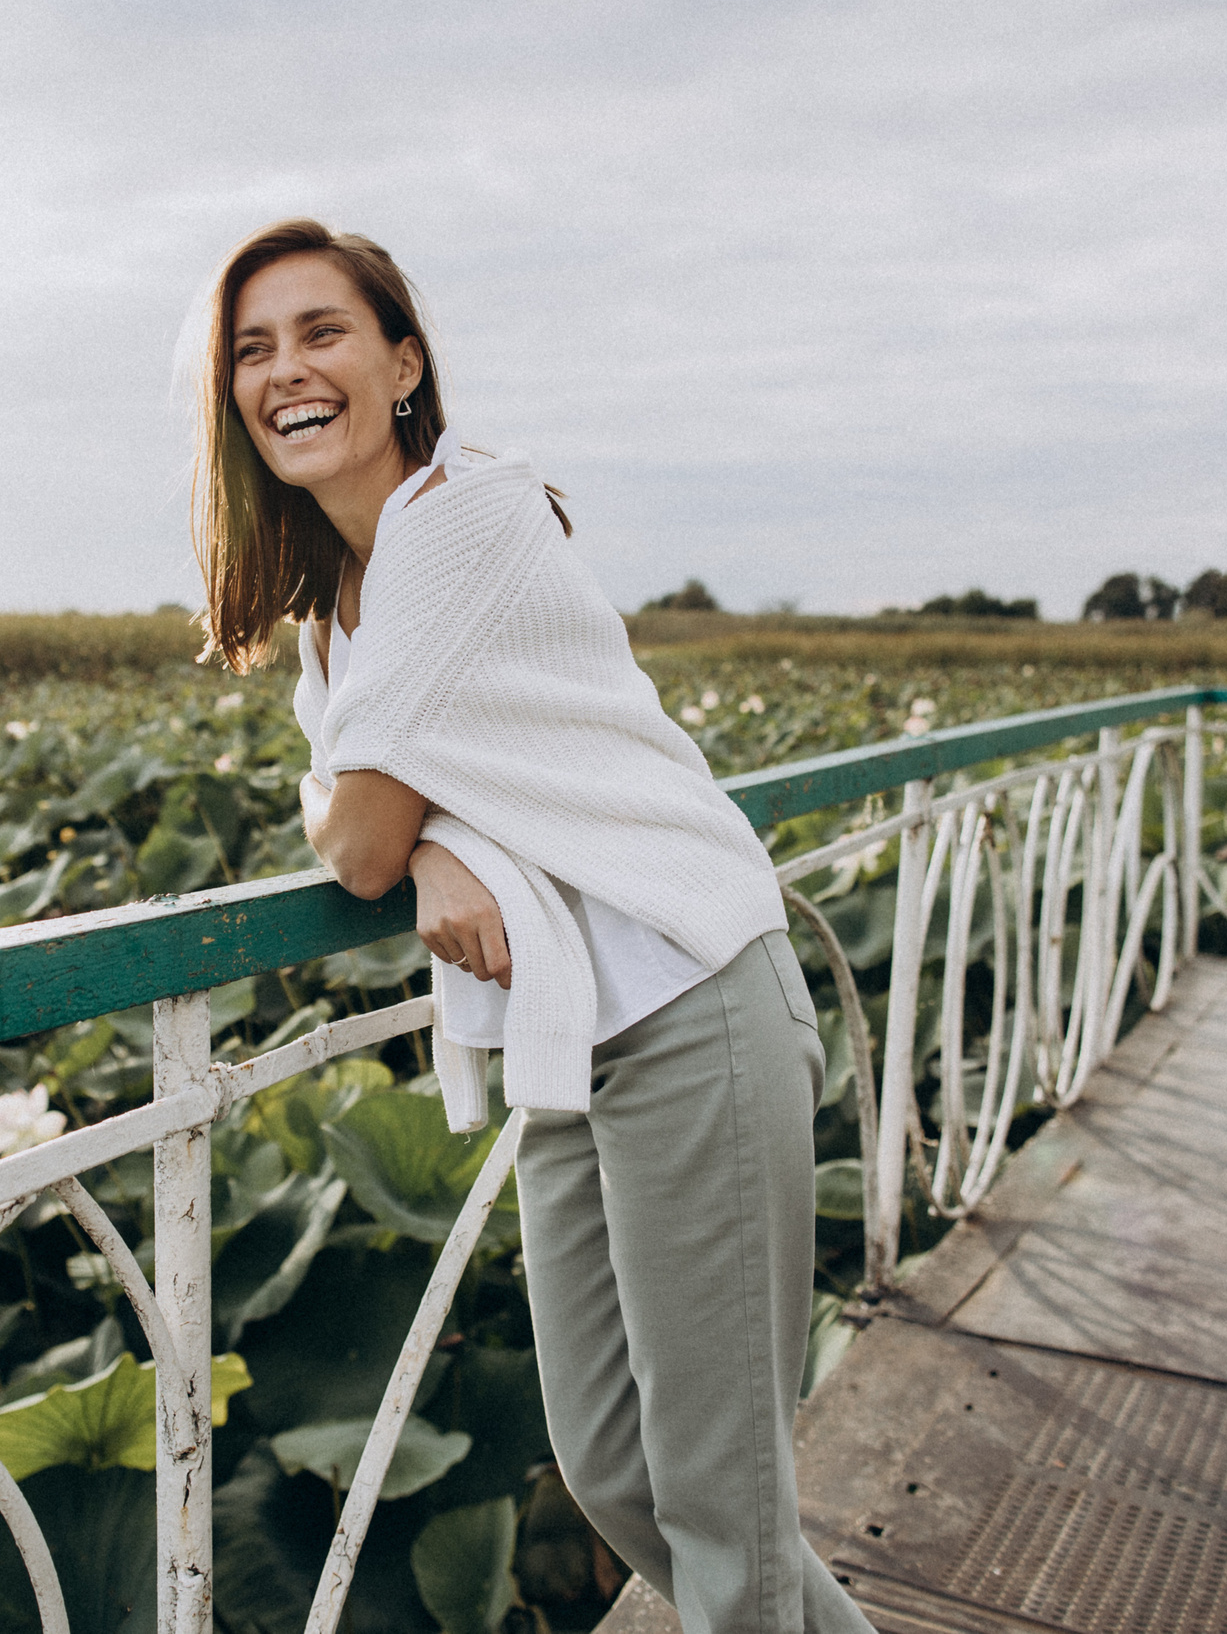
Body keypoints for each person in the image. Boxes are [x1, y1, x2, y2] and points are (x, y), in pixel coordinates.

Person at [189, 217, 871, 1634]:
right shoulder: (338, 614)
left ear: (403, 362)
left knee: (724, 1513)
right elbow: (368, 804)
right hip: (571, 1041)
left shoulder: (470, 516)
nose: (286, 371)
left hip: (689, 1006)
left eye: (323, 332)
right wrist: (437, 840)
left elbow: (355, 829)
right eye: (252, 349)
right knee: (617, 1475)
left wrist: (412, 833)